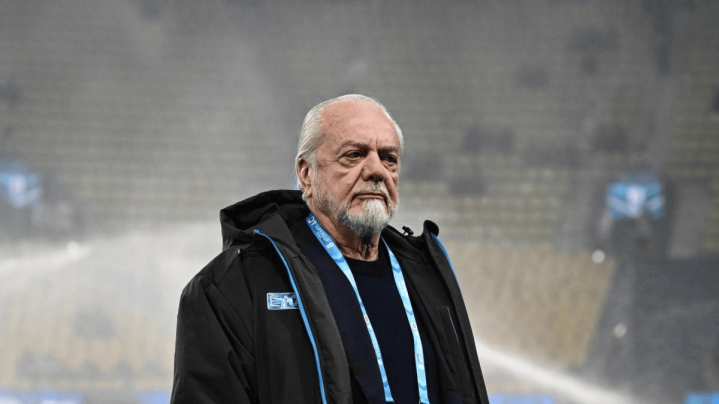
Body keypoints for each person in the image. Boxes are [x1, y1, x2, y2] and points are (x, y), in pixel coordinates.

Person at [170, 94, 489, 404]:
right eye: (354, 155)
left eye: (389, 158)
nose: (377, 170)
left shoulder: (428, 274)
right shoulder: (230, 285)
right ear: (306, 174)